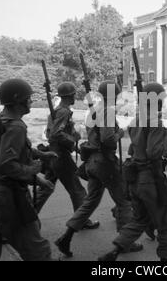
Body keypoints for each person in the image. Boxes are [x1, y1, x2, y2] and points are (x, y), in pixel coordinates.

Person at [0, 79, 56, 261]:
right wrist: (33, 169)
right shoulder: (15, 126)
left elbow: (10, 152)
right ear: (18, 100)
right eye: (28, 98)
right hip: (10, 201)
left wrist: (39, 154)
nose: (31, 101)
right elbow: (6, 165)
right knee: (37, 251)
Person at [55, 81, 141, 258]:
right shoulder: (107, 111)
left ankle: (66, 236)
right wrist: (120, 132)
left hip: (93, 162)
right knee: (124, 201)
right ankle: (126, 242)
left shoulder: (94, 110)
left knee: (90, 201)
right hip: (105, 162)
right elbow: (108, 138)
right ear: (114, 94)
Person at [98, 83, 167, 262]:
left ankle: (114, 251)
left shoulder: (136, 121)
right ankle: (165, 262)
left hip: (136, 179)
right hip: (151, 179)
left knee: (139, 220)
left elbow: (132, 151)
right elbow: (155, 152)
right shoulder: (155, 122)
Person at [34, 82, 99, 230]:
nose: (74, 97)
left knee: (46, 188)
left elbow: (51, 132)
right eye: (73, 94)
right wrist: (72, 140)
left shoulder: (58, 111)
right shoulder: (63, 112)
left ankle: (29, 217)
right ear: (70, 96)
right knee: (77, 189)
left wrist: (72, 133)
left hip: (54, 154)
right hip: (61, 156)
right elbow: (56, 134)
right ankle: (81, 220)